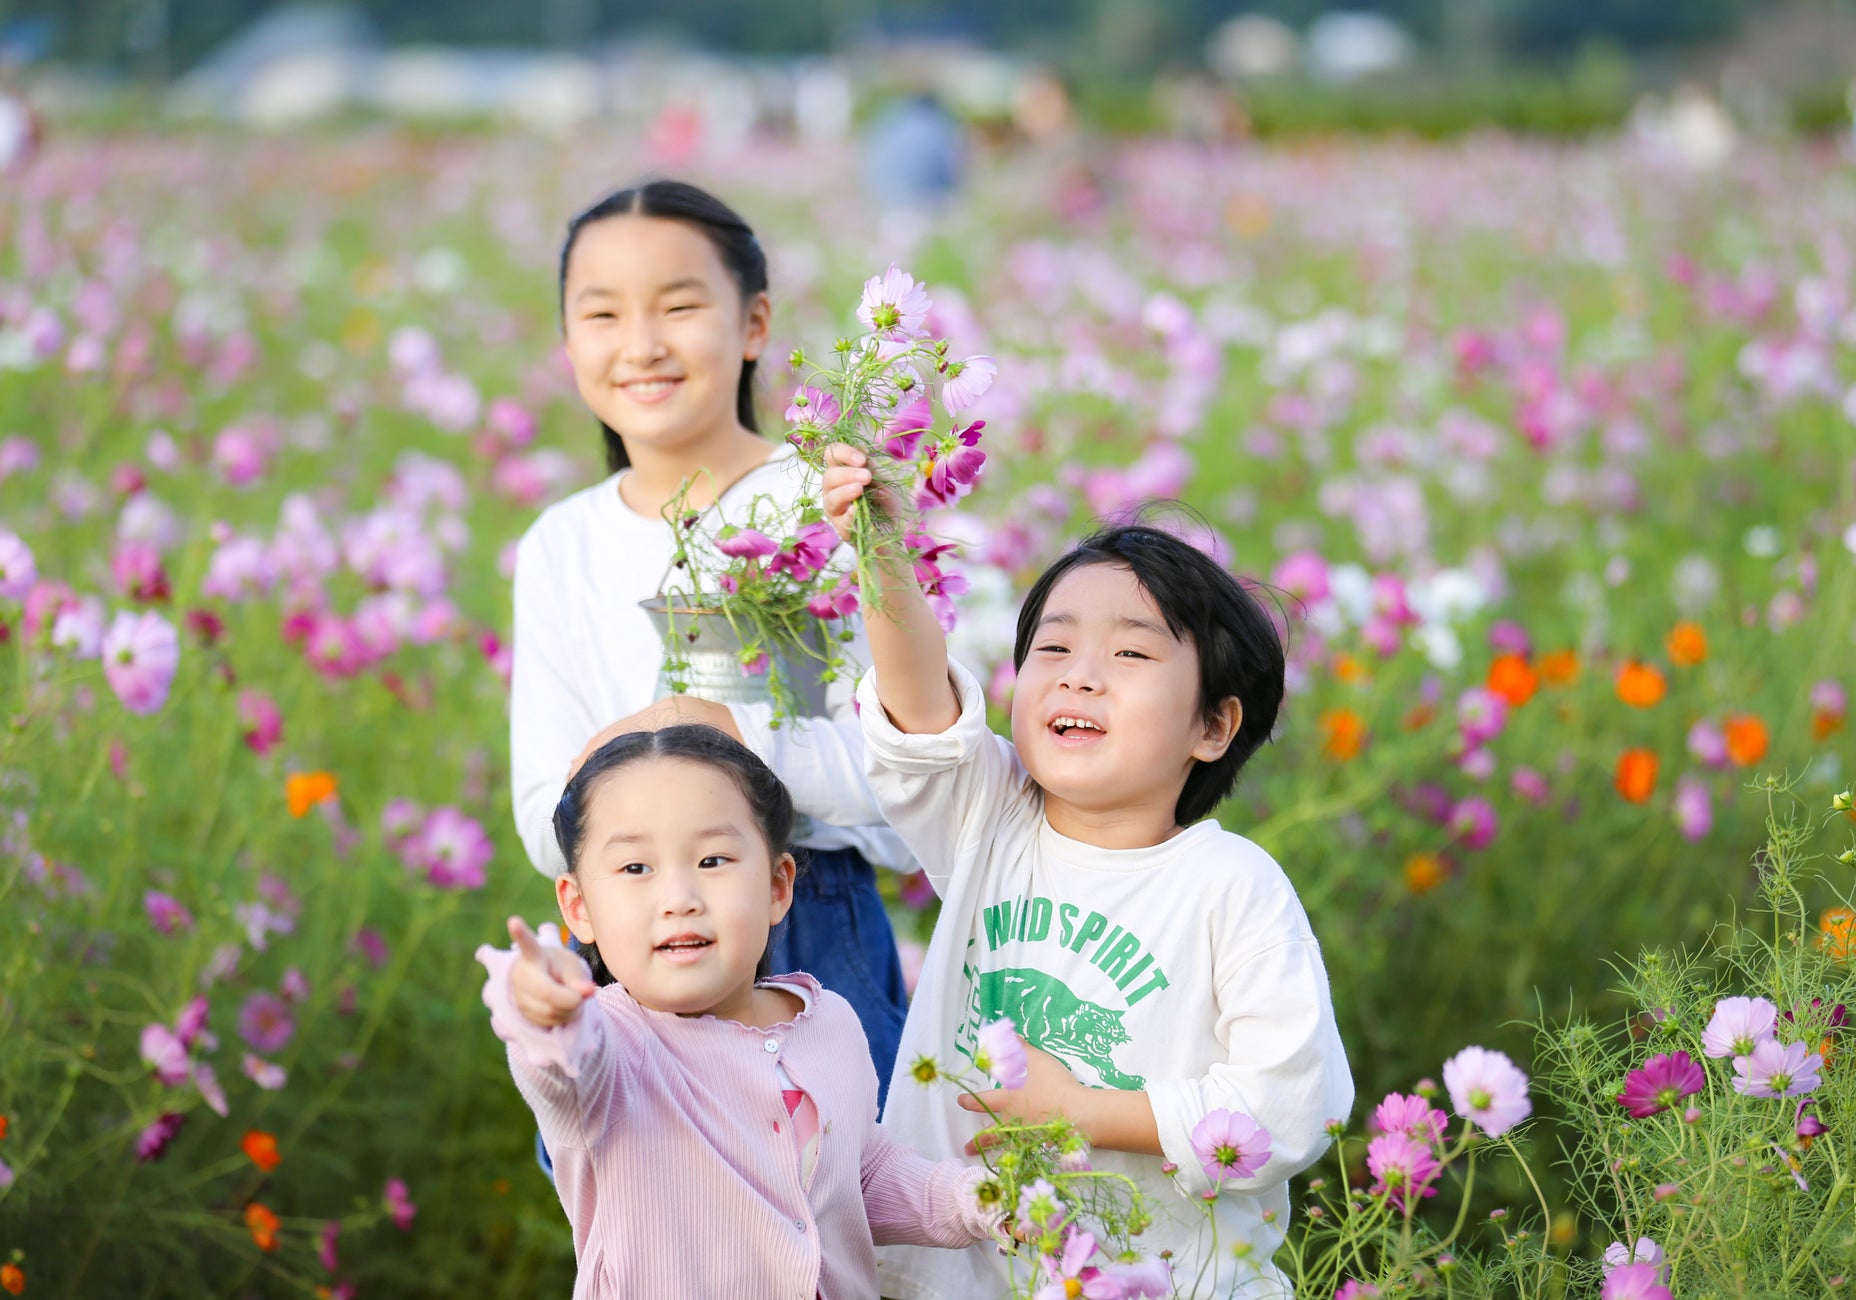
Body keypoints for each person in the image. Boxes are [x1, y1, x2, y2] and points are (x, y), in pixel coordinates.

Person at [823, 447, 1355, 1298]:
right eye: (1054, 644)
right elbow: (917, 701)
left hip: (1157, 1278)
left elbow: (1294, 1106)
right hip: (948, 1279)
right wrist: (882, 552)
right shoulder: (989, 811)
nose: (1080, 672)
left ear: (1215, 727)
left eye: (1132, 657)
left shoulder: (1232, 886)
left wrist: (1084, 1111)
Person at [509, 180, 913, 1118]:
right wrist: (672, 758)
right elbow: (543, 816)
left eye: (680, 306)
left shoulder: (829, 497)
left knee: (850, 1223)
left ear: (755, 323)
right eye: (602, 314)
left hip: (812, 925)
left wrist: (716, 739)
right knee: (664, 1241)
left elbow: (904, 786)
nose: (641, 344)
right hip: (630, 945)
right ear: (570, 344)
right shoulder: (561, 545)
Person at [479, 726, 997, 1299]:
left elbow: (859, 1176)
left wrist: (980, 1200)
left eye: (713, 858)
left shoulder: (831, 1024)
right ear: (578, 907)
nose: (680, 897)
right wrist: (540, 1002)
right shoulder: (606, 1046)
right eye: (635, 869)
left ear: (778, 885)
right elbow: (555, 1058)